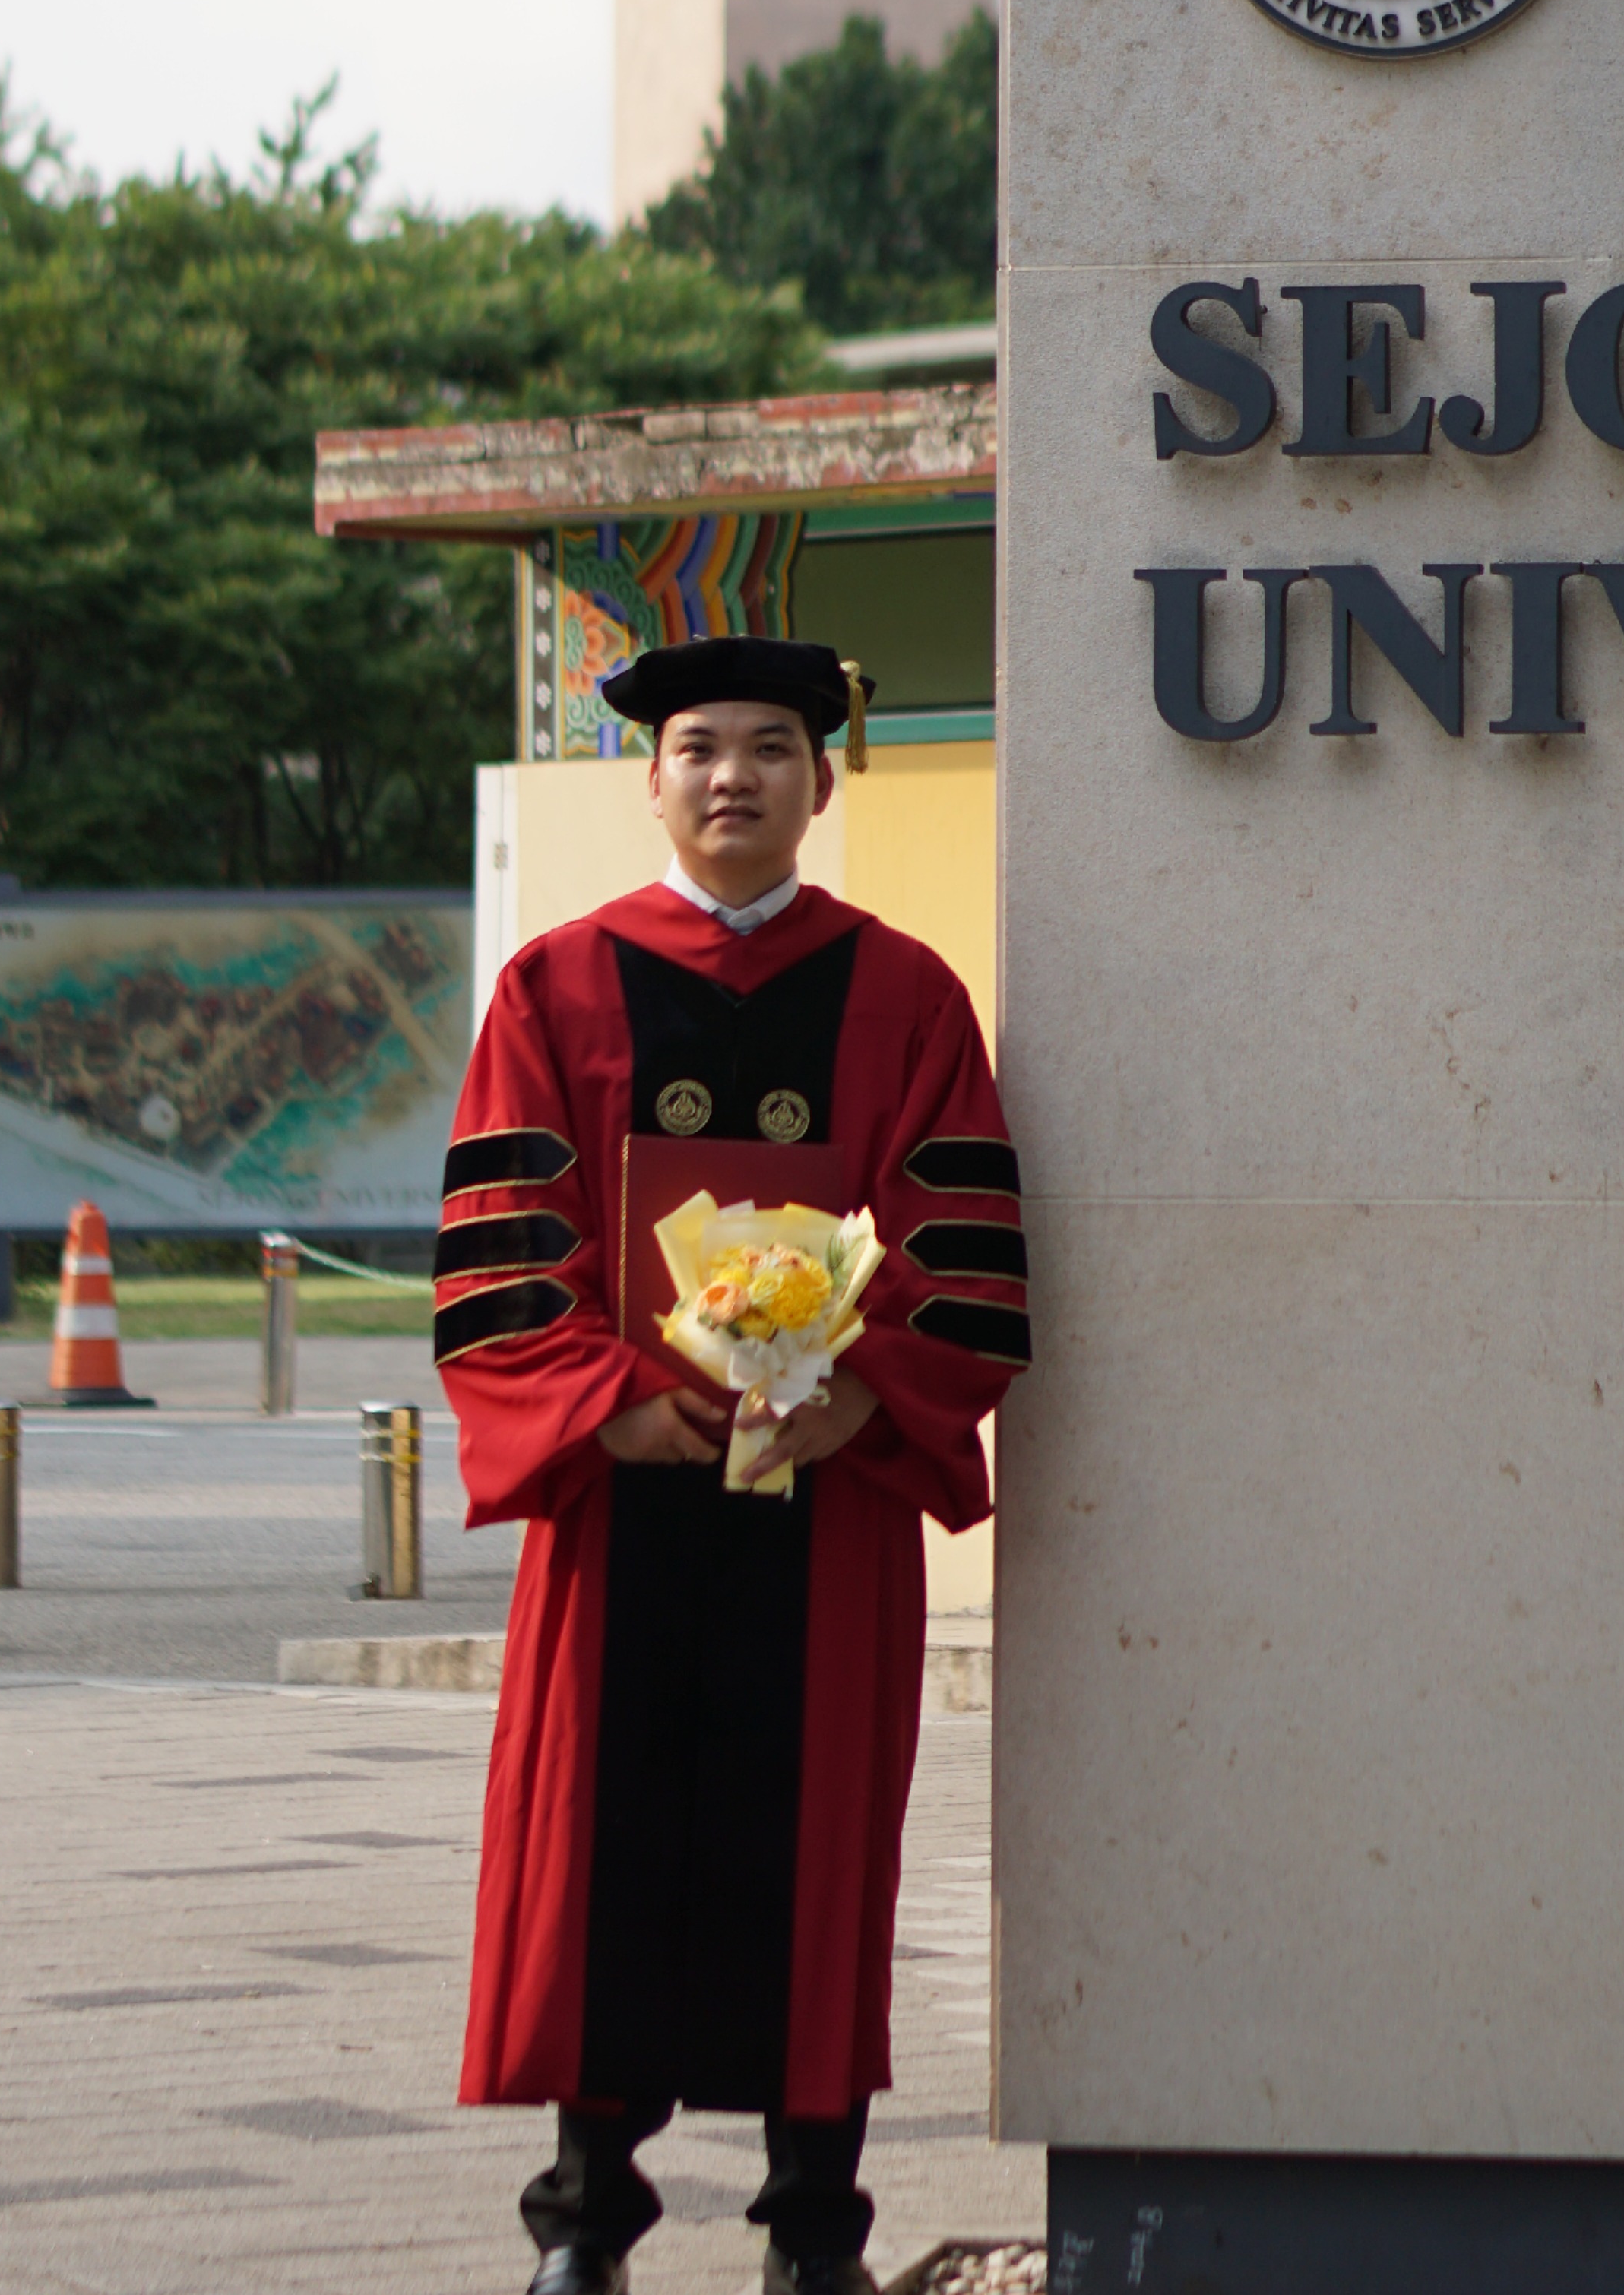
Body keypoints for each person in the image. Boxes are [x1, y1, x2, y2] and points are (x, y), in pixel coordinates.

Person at [433, 635, 1029, 2295]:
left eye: (771, 747)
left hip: (821, 1503)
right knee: (597, 1854)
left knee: (815, 1853)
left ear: (820, 783)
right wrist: (593, 1395)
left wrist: (867, 1394)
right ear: (654, 777)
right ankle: (584, 2229)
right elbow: (501, 1245)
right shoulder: (555, 984)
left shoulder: (909, 994)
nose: (733, 778)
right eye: (700, 747)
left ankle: (813, 2236)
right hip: (620, 1501)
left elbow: (961, 1245)